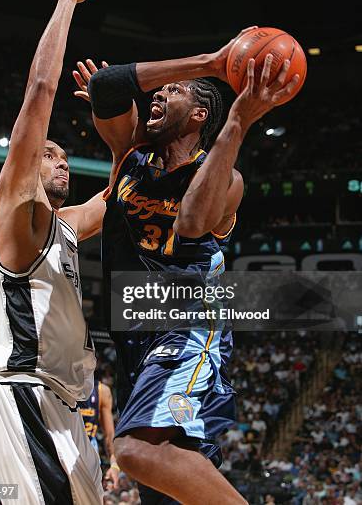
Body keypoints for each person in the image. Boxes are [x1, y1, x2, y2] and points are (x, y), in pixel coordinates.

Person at [73, 36, 299, 504]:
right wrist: (213, 63)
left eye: (173, 91)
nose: (158, 93)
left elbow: (193, 224)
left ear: (200, 116)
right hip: (133, 334)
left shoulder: (225, 179)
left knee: (137, 451)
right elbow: (106, 85)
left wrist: (238, 120)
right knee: (163, 489)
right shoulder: (131, 157)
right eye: (159, 89)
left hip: (186, 324)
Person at [0, 0, 106, 505]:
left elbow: (119, 193)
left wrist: (117, 119)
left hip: (63, 410)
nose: (61, 160)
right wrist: (68, 0)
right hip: (25, 397)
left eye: (66, 157)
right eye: (50, 153)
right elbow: (40, 91)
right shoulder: (15, 215)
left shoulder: (66, 223)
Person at [78, 379, 120, 490]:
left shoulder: (101, 390)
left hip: (89, 447)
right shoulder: (58, 384)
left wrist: (114, 464)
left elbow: (109, 434)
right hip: (66, 447)